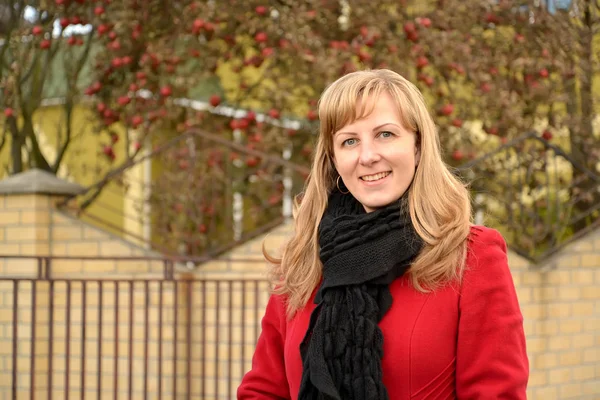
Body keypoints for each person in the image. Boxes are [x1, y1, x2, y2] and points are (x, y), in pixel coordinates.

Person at [237, 69, 529, 399]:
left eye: (385, 134)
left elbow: (496, 392)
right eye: (350, 141)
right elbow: (263, 390)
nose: (368, 156)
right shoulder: (304, 260)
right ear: (334, 159)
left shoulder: (471, 255)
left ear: (418, 147)